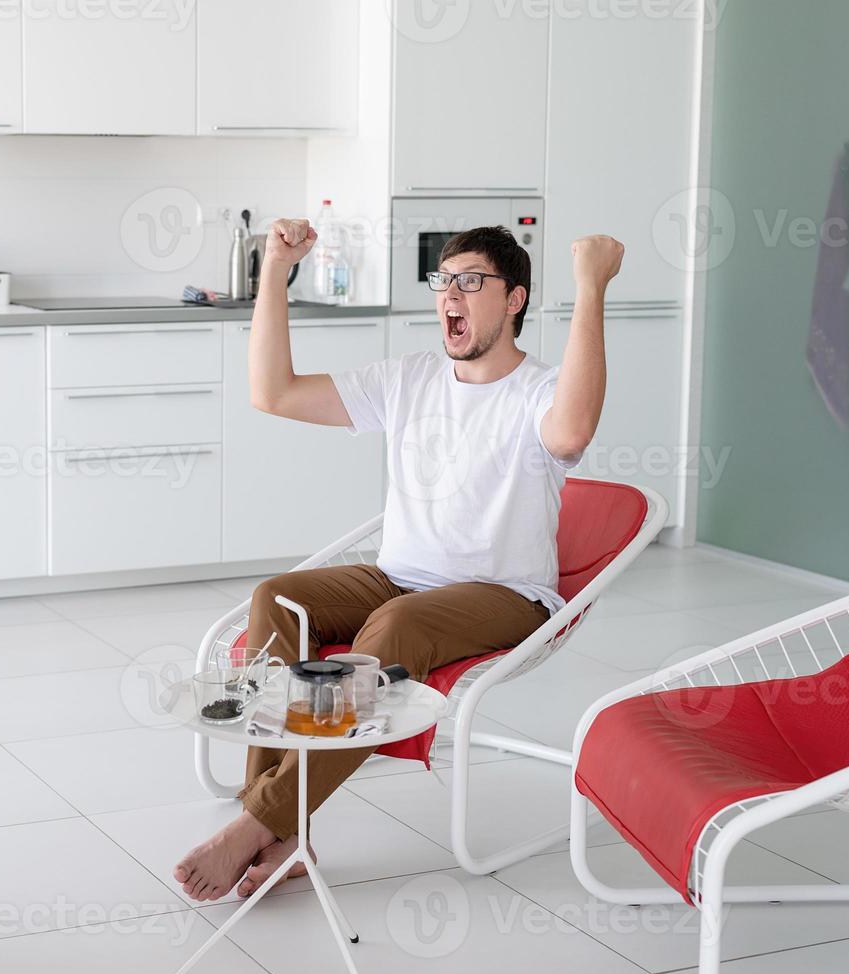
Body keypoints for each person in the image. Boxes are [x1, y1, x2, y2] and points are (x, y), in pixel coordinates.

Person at [173, 219, 624, 902]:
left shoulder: (538, 391)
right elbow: (274, 393)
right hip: (397, 575)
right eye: (444, 281)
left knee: (395, 627)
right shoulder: (409, 378)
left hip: (501, 593)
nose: (452, 294)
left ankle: (255, 820)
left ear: (514, 300)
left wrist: (590, 288)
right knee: (278, 596)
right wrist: (274, 270)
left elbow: (572, 432)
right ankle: (282, 830)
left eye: (472, 281)